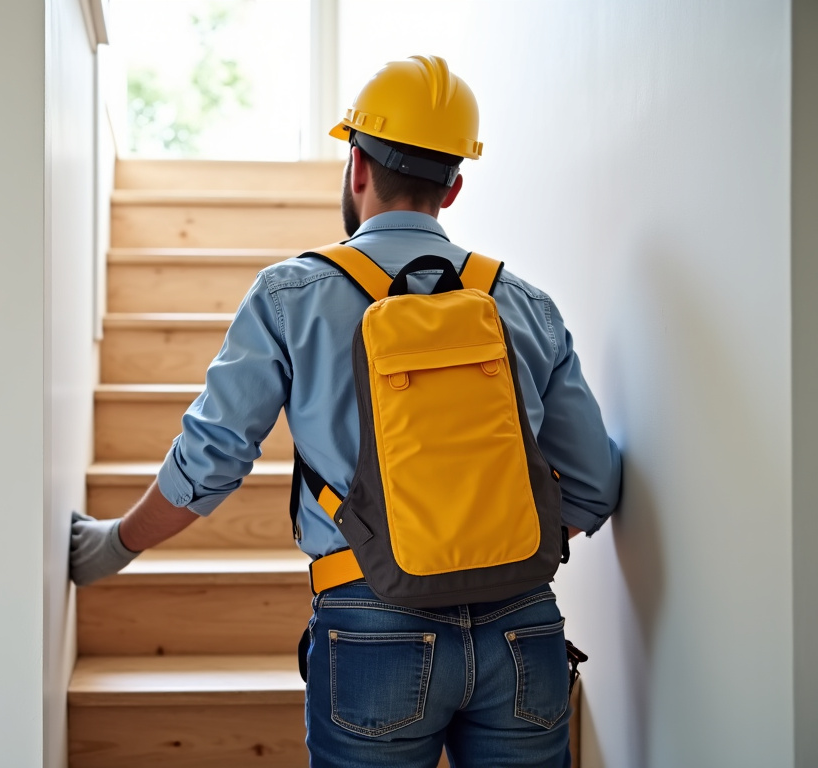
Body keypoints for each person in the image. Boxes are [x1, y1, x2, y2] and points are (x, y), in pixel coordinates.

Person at [69, 55, 621, 768]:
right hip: (524, 627)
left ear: (356, 165)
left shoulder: (289, 295)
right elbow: (592, 488)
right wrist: (487, 542)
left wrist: (116, 542)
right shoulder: (524, 304)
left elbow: (209, 465)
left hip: (371, 625)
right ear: (453, 187)